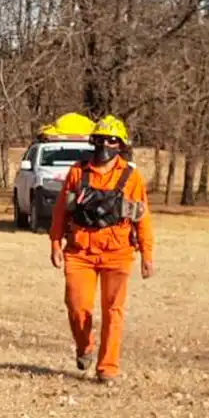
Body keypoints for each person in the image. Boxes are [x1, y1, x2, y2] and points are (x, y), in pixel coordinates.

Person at [49, 114, 154, 385]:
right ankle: (84, 347)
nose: (104, 145)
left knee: (113, 311)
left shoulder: (132, 177)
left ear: (120, 144)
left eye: (111, 140)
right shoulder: (77, 172)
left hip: (117, 253)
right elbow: (61, 211)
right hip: (80, 251)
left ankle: (108, 367)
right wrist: (55, 243)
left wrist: (147, 254)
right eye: (100, 139)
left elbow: (142, 218)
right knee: (77, 305)